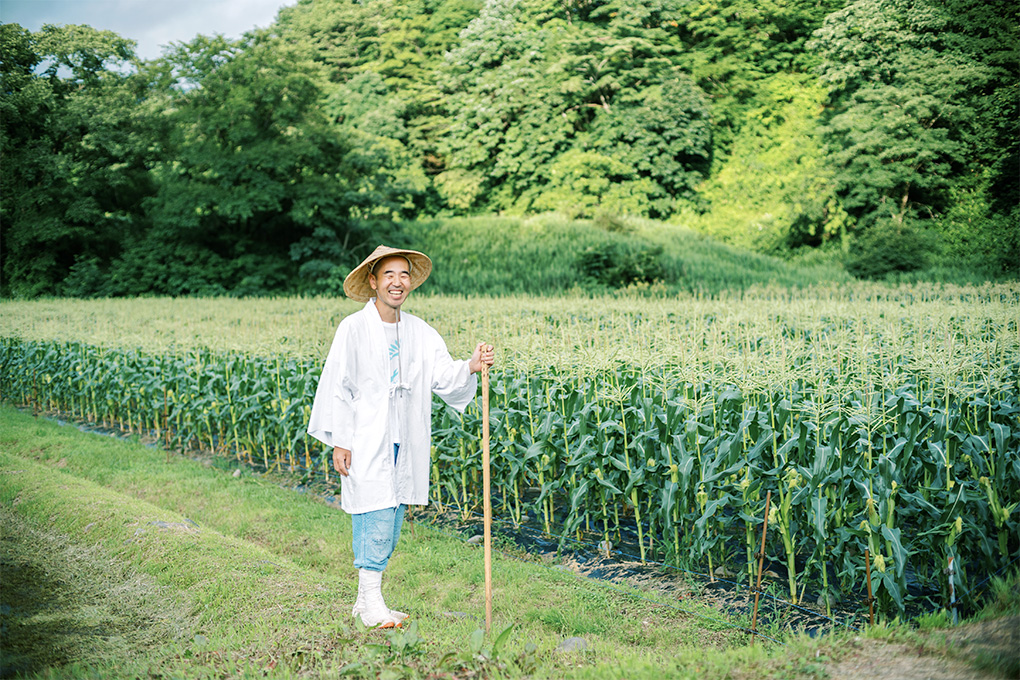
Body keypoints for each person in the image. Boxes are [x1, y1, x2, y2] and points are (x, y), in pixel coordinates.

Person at [307, 245, 495, 628]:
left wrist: (471, 366)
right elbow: (338, 386)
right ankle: (372, 601)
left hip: (404, 437)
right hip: (366, 436)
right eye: (388, 275)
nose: (397, 282)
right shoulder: (353, 329)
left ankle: (366, 601)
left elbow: (442, 374)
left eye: (404, 274)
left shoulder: (419, 331)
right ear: (373, 281)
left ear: (411, 282)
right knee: (372, 513)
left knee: (392, 518)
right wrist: (341, 439)